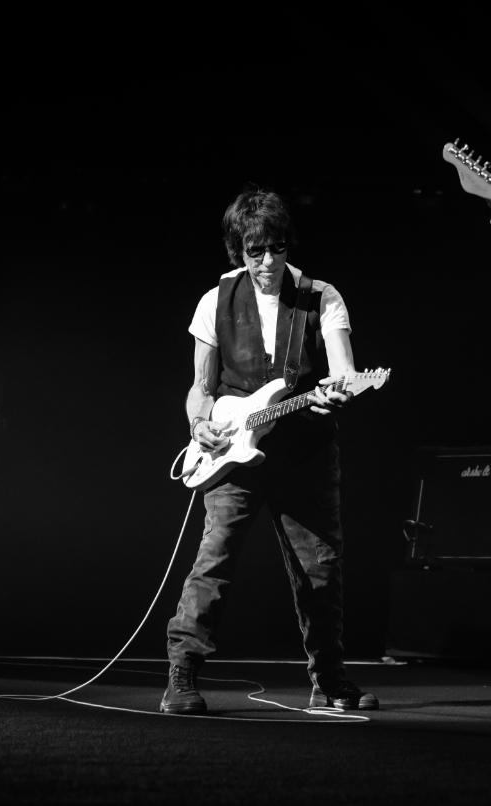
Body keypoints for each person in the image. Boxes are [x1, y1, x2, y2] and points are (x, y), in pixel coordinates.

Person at [160, 185, 378, 714]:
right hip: (233, 449)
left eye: (276, 248)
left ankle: (329, 679)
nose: (267, 262)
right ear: (240, 249)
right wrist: (198, 424)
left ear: (287, 244)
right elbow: (200, 387)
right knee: (214, 561)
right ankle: (181, 677)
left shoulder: (321, 296)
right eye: (255, 251)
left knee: (321, 570)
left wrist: (339, 394)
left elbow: (344, 371)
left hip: (304, 451)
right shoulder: (216, 300)